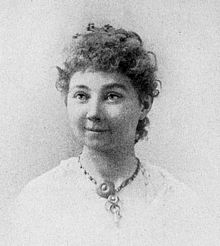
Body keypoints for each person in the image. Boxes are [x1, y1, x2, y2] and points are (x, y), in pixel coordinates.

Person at [9, 23, 219, 246]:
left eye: (112, 96)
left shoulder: (176, 202)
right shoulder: (39, 199)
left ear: (144, 104)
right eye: (81, 95)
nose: (93, 113)